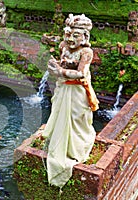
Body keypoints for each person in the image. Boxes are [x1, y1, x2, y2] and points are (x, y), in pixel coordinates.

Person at [42, 14, 99, 188]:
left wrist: (60, 71)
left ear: (85, 37)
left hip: (78, 90)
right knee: (58, 112)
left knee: (77, 117)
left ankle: (76, 147)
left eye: (76, 35)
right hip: (63, 87)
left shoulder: (86, 52)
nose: (70, 39)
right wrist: (54, 68)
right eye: (68, 34)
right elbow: (62, 64)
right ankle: (59, 142)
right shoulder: (63, 46)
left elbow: (81, 73)